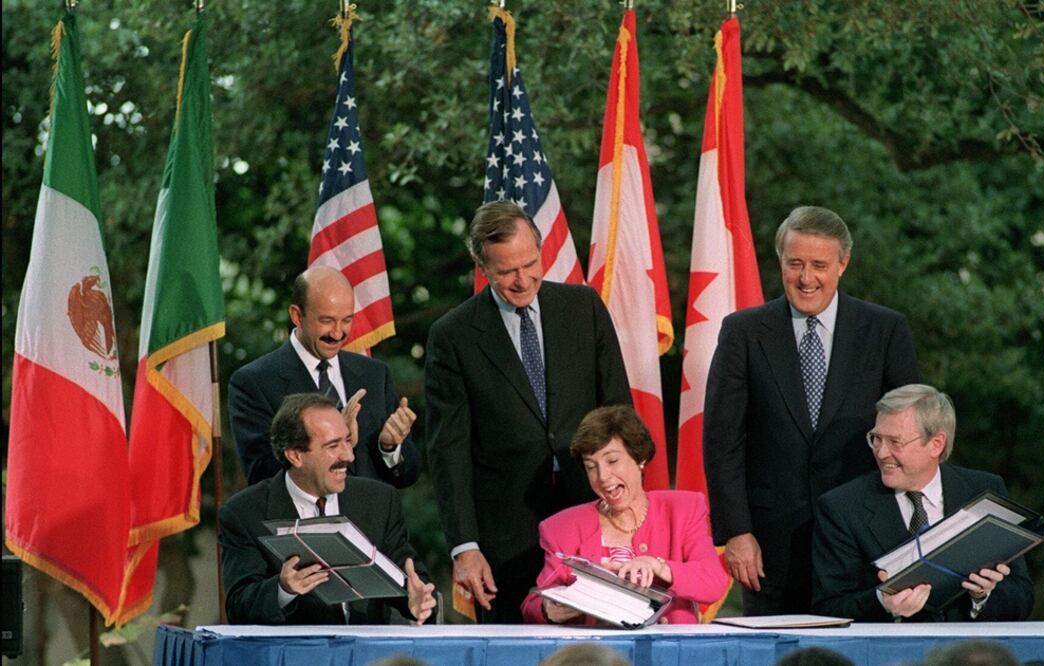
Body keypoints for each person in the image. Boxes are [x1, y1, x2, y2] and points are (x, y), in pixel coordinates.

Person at [703, 205, 921, 615]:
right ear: (780, 261)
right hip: (770, 547)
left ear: (843, 264)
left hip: (866, 540)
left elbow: (914, 433)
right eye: (795, 264)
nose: (806, 278)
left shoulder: (885, 330)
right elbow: (722, 441)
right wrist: (736, 532)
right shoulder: (743, 332)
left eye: (819, 265)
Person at [425, 201, 632, 623]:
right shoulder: (453, 336)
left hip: (594, 515)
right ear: (482, 267)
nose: (522, 280)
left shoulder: (583, 308)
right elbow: (449, 451)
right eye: (506, 272)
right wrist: (465, 547)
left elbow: (618, 412)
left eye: (530, 264)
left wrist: (630, 508)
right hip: (506, 538)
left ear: (540, 250)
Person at [811, 384, 1034, 622]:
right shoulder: (841, 507)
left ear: (936, 444)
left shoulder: (983, 491)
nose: (881, 453)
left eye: (895, 442)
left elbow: (1022, 599)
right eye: (876, 439)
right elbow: (828, 608)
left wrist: (982, 596)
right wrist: (882, 602)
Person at [219, 393, 437, 625]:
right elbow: (238, 607)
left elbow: (412, 580)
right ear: (295, 455)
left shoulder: (379, 500)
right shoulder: (244, 513)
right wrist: (283, 589)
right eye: (333, 445)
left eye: (347, 440)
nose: (349, 455)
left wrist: (418, 600)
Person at [521, 405, 728, 625]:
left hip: (669, 644)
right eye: (591, 467)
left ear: (639, 458)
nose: (602, 476)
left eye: (612, 461)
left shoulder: (683, 509)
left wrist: (659, 566)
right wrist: (548, 610)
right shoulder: (562, 528)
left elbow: (713, 582)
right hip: (596, 646)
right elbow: (531, 605)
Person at [229, 265, 419, 487]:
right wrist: (334, 441)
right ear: (297, 316)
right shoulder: (254, 382)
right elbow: (262, 476)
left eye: (346, 320)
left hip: (372, 510)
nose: (337, 333)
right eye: (327, 321)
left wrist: (389, 447)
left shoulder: (375, 375)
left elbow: (408, 475)